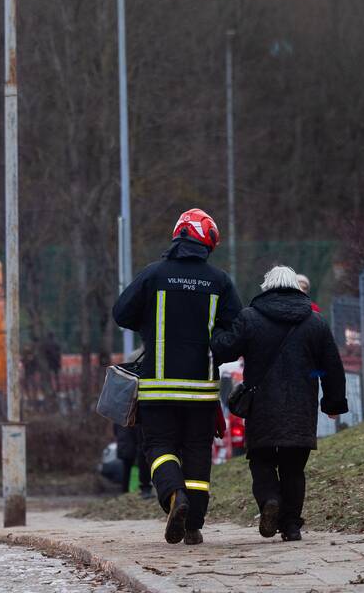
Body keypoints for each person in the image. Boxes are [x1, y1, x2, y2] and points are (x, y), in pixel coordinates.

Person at [113, 208, 242, 545]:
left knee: (158, 446)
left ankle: (174, 497)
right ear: (208, 242)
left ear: (177, 236)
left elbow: (121, 312)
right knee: (198, 451)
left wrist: (148, 322)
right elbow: (236, 331)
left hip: (157, 387)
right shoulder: (220, 281)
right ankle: (194, 524)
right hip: (201, 389)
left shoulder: (153, 275)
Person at [210, 265, 348, 542]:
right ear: (296, 287)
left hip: (262, 404)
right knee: (294, 468)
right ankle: (292, 526)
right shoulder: (315, 322)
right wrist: (332, 403)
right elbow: (331, 366)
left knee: (260, 460)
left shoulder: (250, 318)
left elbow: (223, 349)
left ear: (266, 287)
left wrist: (216, 325)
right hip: (301, 406)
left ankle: (270, 500)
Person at [114, 423, 152, 499]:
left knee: (126, 471)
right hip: (132, 448)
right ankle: (141, 488)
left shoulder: (117, 421)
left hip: (122, 447)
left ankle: (125, 490)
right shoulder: (131, 420)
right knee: (140, 468)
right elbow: (136, 435)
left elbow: (115, 432)